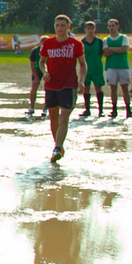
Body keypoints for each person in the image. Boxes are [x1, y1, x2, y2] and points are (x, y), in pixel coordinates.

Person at [39, 14, 86, 163]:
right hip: (51, 85)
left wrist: (82, 81)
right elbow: (41, 62)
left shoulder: (76, 44)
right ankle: (58, 145)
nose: (60, 28)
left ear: (68, 27)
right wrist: (44, 72)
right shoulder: (48, 43)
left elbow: (83, 64)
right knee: (53, 116)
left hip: (69, 84)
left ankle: (58, 147)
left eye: (63, 25)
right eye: (57, 25)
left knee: (64, 116)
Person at [102, 18, 132, 118]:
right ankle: (114, 109)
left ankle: (128, 109)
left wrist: (111, 49)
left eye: (113, 26)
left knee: (125, 88)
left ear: (117, 26)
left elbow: (124, 49)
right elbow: (106, 53)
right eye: (110, 26)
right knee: (113, 89)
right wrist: (117, 49)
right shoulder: (106, 39)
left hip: (122, 66)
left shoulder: (123, 37)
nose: (111, 28)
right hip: (111, 67)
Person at [78, 20, 105, 119]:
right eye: (88, 28)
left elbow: (101, 53)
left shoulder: (99, 41)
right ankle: (87, 109)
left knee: (98, 88)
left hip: (97, 68)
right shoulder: (81, 42)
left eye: (92, 28)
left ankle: (100, 110)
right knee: (86, 88)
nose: (90, 30)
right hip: (86, 69)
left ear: (95, 29)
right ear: (85, 29)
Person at [26, 38, 48, 119]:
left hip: (47, 70)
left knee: (48, 88)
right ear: (40, 43)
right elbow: (32, 64)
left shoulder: (50, 50)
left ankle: (45, 108)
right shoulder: (35, 51)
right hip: (37, 69)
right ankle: (32, 107)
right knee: (34, 85)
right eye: (43, 42)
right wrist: (36, 77)